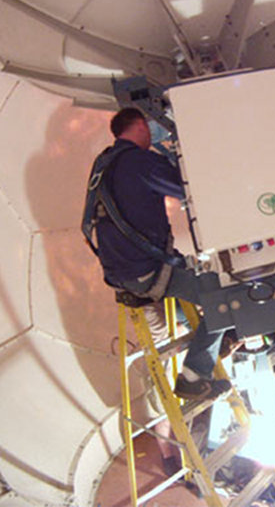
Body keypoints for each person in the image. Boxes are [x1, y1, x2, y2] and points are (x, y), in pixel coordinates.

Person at [90, 107, 230, 401]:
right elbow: (187, 188)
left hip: (119, 273)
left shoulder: (104, 164)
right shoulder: (139, 161)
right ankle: (194, 375)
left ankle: (217, 336)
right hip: (147, 271)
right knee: (223, 300)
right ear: (142, 125)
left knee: (190, 296)